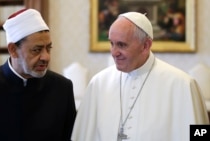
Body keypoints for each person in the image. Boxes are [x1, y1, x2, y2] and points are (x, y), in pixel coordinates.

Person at [71, 12, 209, 141]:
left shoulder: (183, 84)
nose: (114, 52)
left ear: (145, 45)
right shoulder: (99, 83)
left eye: (121, 45)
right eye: (111, 43)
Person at [0, 8, 76, 141]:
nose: (46, 57)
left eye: (48, 48)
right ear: (13, 50)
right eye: (36, 50)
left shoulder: (62, 88)